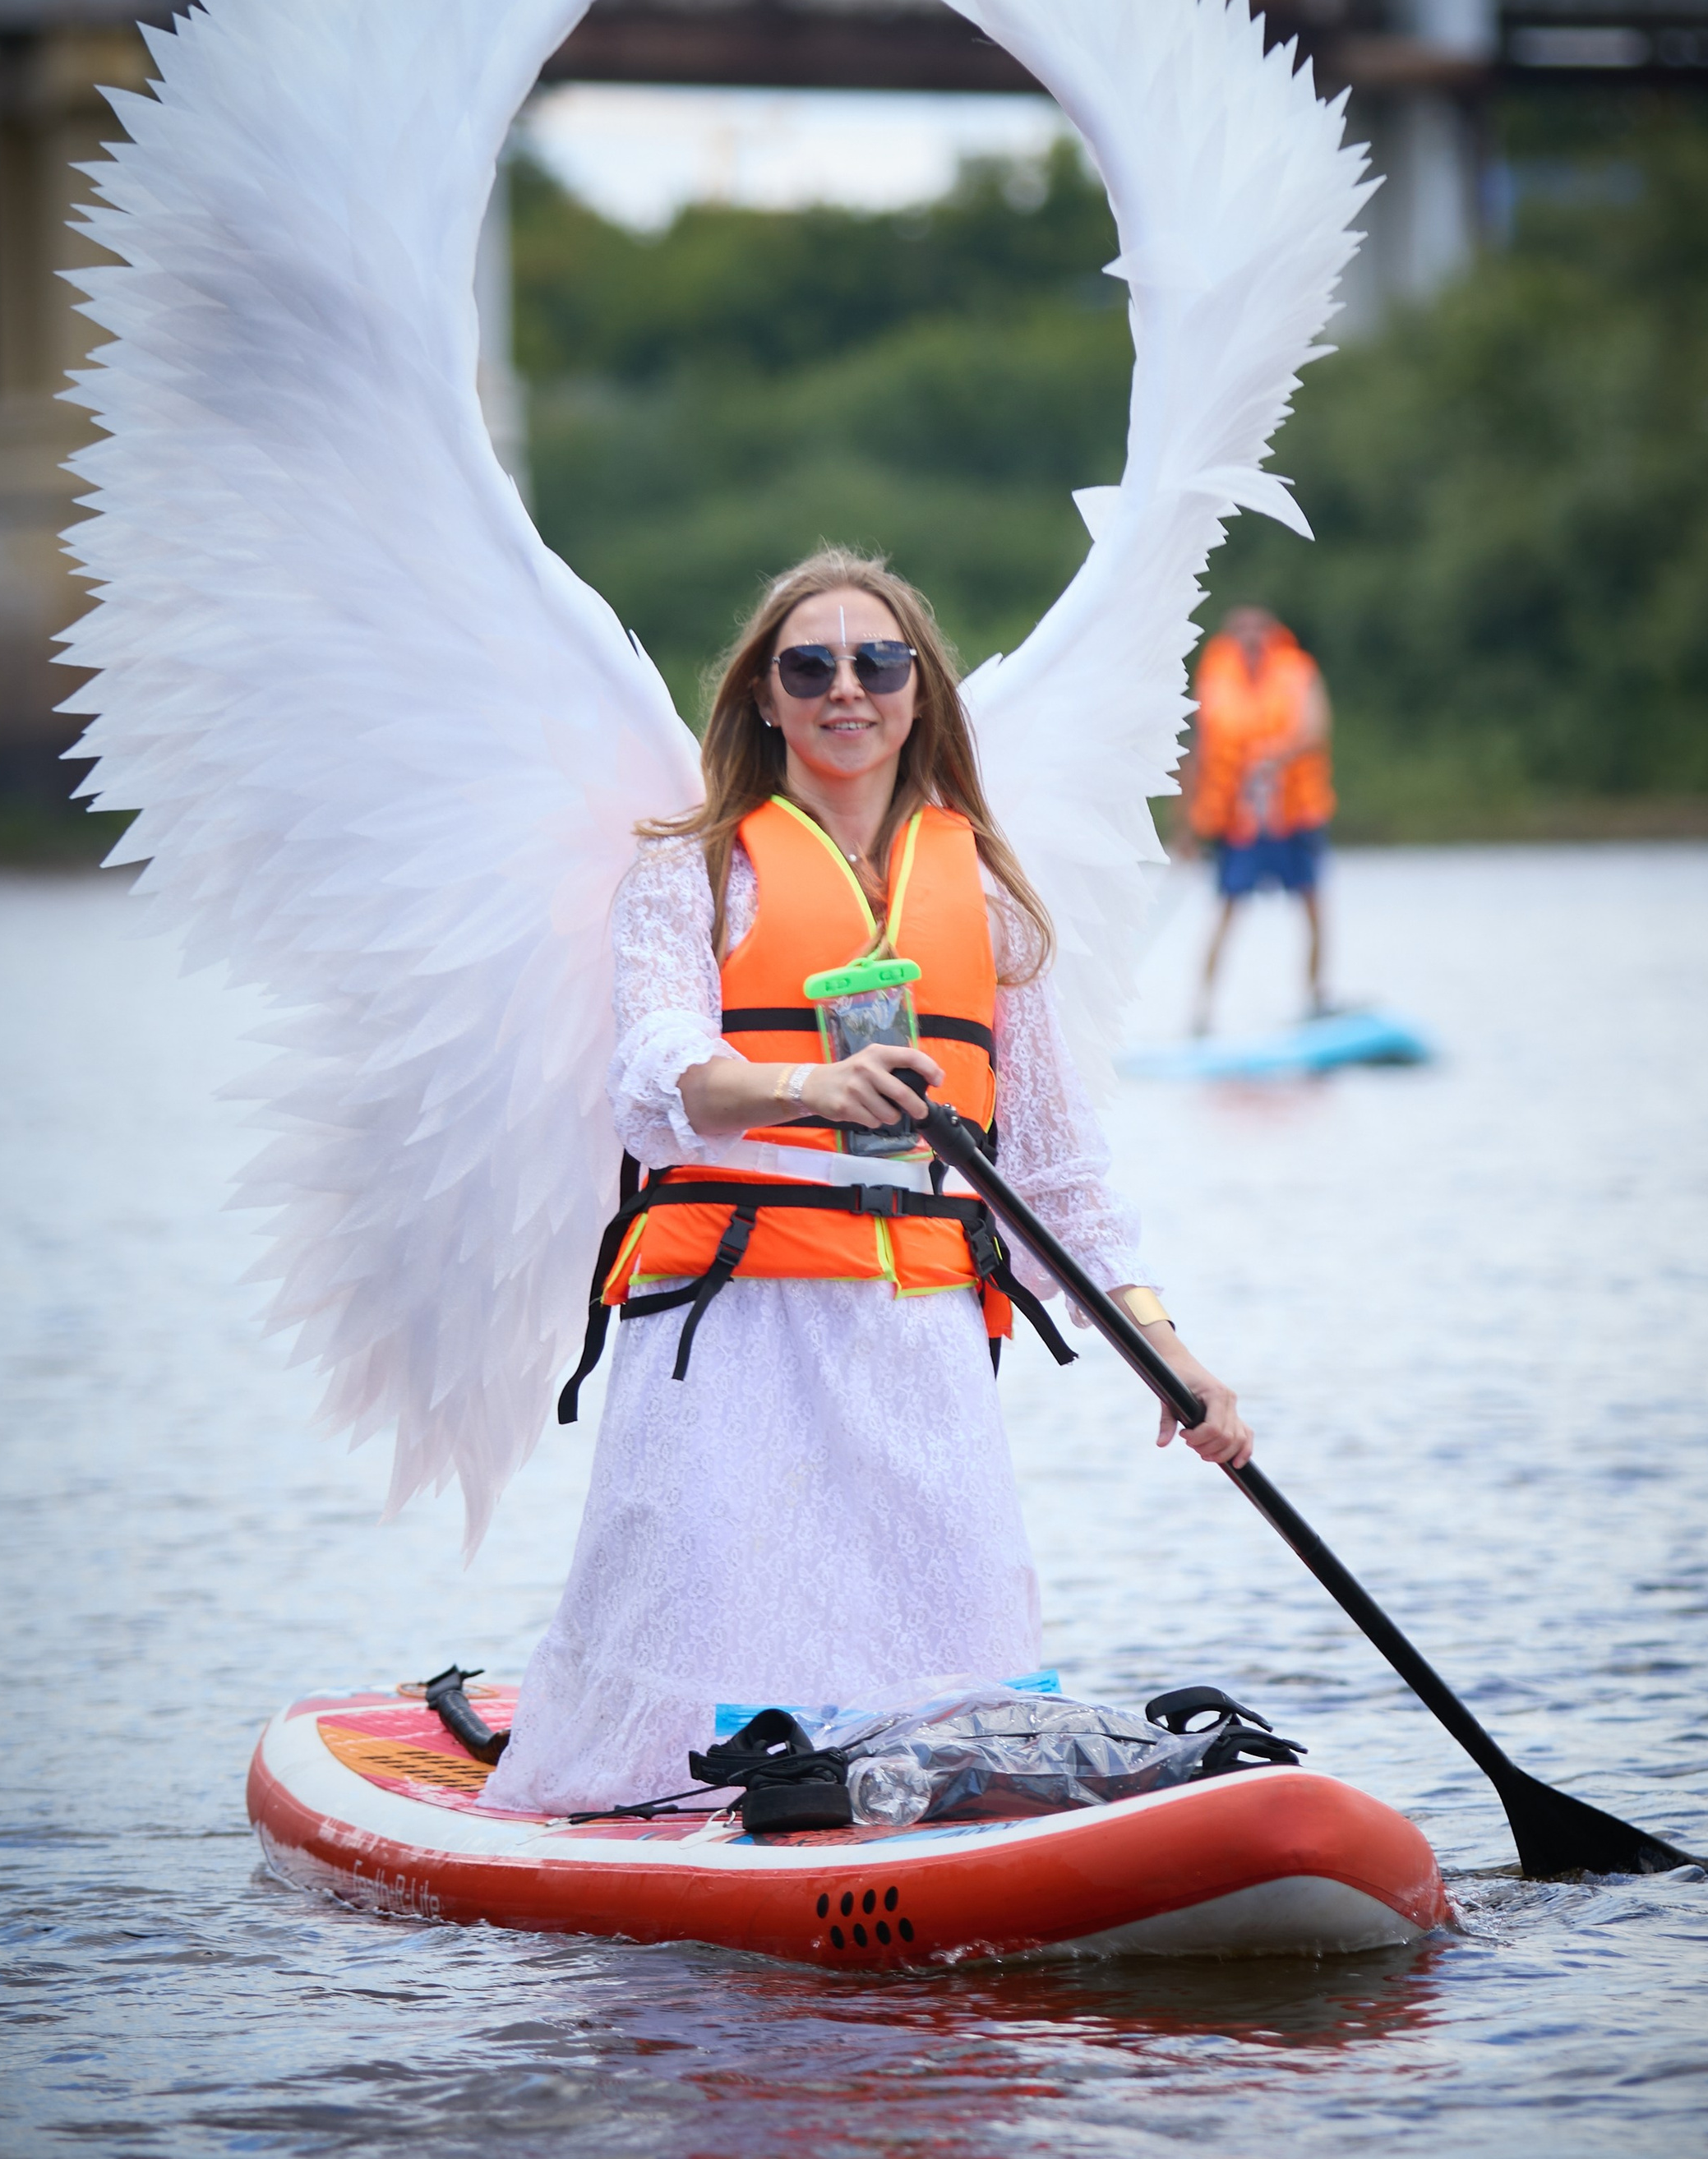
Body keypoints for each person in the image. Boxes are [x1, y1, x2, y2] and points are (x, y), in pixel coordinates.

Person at [484, 551, 1255, 1818]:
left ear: (918, 691)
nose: (847, 688)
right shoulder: (693, 870)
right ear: (765, 697)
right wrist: (812, 1089)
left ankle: (935, 1813)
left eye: (877, 662)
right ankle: (655, 1798)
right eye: (810, 666)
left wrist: (1171, 1354)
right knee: (717, 1631)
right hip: (734, 1331)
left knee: (949, 1654)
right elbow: (657, 1076)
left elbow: (1056, 1170)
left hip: (919, 1341)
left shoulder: (987, 895)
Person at [1185, 605, 1335, 1034]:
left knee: (1312, 905)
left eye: (1258, 629)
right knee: (1226, 909)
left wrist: (1272, 758)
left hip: (1294, 814)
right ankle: (1202, 1014)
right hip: (1239, 820)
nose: (1250, 637)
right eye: (1242, 630)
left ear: (1271, 634)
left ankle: (1316, 999)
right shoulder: (1215, 679)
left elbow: (1316, 728)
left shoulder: (1298, 672)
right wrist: (1188, 827)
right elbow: (1198, 750)